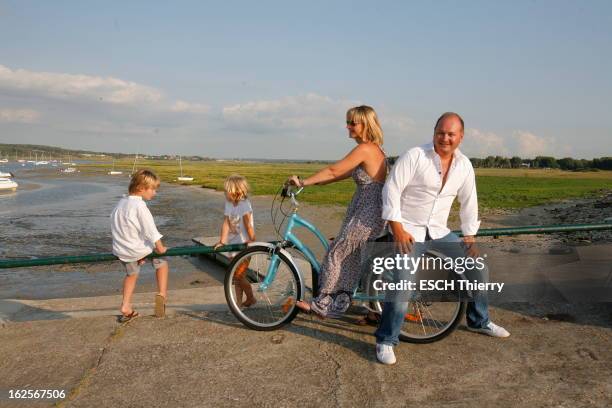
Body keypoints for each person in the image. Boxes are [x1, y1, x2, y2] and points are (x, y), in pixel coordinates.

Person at [375, 112, 510, 365]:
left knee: (478, 269)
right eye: (440, 132)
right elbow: (391, 189)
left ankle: (479, 320)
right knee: (403, 286)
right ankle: (385, 339)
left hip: (438, 231)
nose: (445, 138)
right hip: (408, 230)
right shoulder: (415, 155)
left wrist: (469, 235)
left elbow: (469, 200)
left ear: (461, 136)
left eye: (451, 134)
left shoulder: (464, 165)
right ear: (434, 132)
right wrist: (397, 228)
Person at [289, 105, 387, 318]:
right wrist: (314, 183)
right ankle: (368, 310)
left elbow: (334, 169)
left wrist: (303, 181)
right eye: (348, 122)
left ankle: (324, 305)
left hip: (368, 213)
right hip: (366, 209)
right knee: (352, 256)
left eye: (353, 122)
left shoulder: (366, 149)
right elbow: (337, 175)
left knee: (337, 254)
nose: (348, 126)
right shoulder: (373, 149)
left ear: (365, 124)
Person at [111, 169, 169, 322]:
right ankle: (162, 294)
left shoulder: (121, 202)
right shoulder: (140, 206)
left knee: (132, 274)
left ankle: (125, 305)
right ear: (141, 188)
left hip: (122, 249)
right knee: (161, 261)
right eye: (153, 189)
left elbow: (117, 224)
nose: (155, 193)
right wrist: (161, 248)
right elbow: (151, 230)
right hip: (136, 249)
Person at [214, 174, 256, 307]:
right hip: (232, 244)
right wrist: (222, 241)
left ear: (235, 192)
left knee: (238, 275)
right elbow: (226, 222)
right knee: (236, 277)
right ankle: (238, 304)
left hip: (244, 246)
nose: (224, 193)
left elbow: (248, 225)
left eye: (226, 191)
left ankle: (251, 298)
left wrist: (252, 241)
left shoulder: (245, 204)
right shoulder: (229, 203)